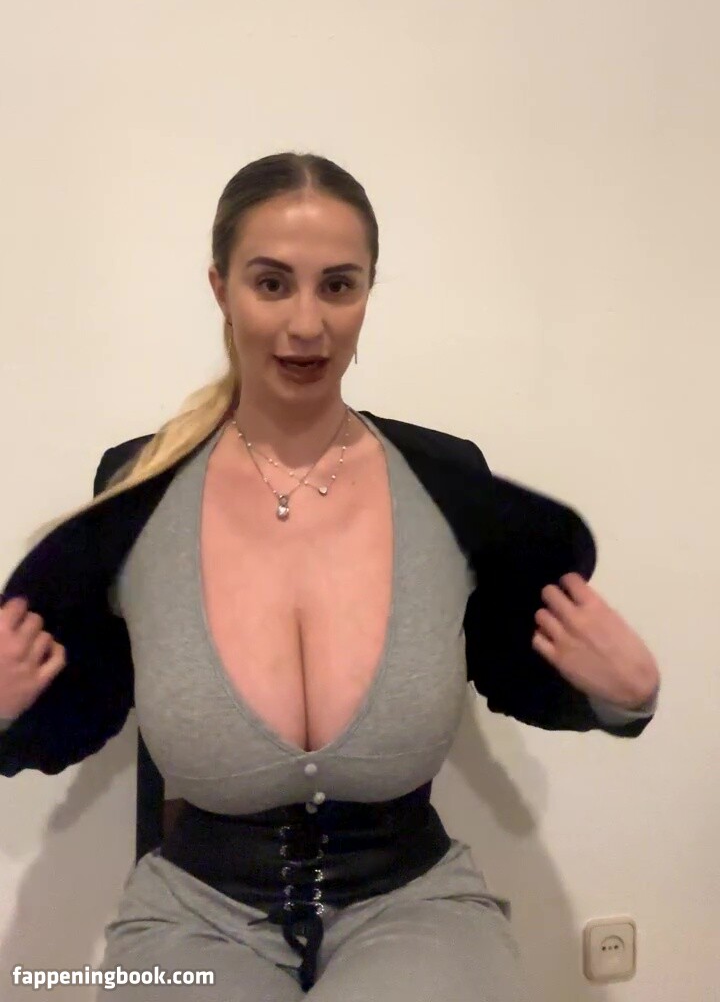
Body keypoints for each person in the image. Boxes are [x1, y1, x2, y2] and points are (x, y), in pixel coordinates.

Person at [0, 151, 659, 1000]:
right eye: (272, 284)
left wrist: (624, 697)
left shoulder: (447, 484)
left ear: (368, 292)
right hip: (193, 915)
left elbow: (517, 665)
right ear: (220, 289)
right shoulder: (138, 490)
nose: (306, 324)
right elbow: (76, 707)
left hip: (415, 904)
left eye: (338, 286)